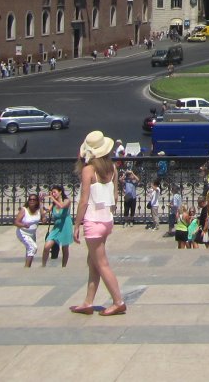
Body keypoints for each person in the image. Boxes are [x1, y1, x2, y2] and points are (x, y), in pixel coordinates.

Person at [70, 131, 127, 316]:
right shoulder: (112, 168)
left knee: (101, 264)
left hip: (93, 221)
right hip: (106, 220)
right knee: (93, 261)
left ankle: (118, 301)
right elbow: (116, 196)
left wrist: (77, 224)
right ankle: (88, 302)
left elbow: (84, 200)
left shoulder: (89, 170)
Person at [43, 185, 73, 268]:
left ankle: (64, 266)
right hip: (56, 227)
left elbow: (62, 206)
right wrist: (40, 201)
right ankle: (43, 265)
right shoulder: (53, 204)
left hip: (65, 226)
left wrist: (52, 198)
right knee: (47, 246)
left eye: (54, 192)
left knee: (65, 248)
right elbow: (46, 211)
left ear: (60, 192)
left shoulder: (67, 200)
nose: (53, 194)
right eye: (52, 192)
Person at [14, 192, 46, 267]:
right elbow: (16, 222)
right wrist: (23, 225)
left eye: (34, 200)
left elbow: (43, 218)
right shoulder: (24, 210)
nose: (32, 201)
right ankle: (27, 268)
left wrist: (44, 218)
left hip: (32, 234)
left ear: (36, 201)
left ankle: (28, 266)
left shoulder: (38, 210)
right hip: (22, 233)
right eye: (30, 199)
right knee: (33, 247)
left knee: (30, 250)